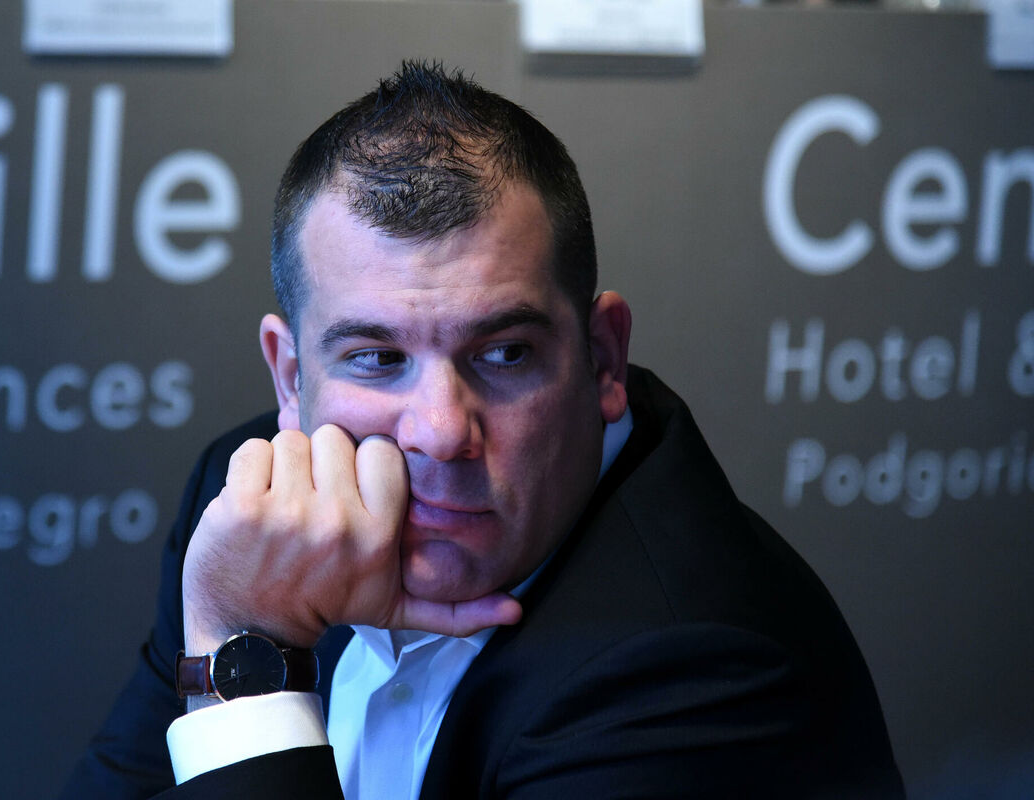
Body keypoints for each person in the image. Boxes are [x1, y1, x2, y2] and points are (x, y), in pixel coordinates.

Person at [62, 61, 904, 799]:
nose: (440, 431)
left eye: (504, 354)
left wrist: (246, 663)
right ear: (290, 377)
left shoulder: (692, 669)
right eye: (377, 358)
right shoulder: (251, 516)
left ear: (604, 359)